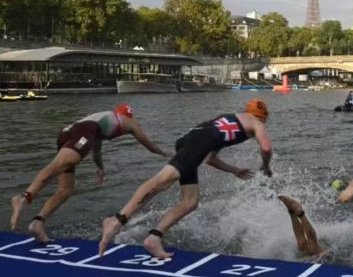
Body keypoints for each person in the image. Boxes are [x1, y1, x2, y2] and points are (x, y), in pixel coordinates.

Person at [98, 98, 273, 258]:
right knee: (162, 181)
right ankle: (117, 220)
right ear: (262, 117)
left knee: (190, 201)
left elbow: (209, 158)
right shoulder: (256, 122)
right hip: (200, 142)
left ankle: (154, 238)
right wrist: (266, 166)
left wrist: (234, 170)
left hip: (189, 139)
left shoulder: (230, 119)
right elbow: (265, 147)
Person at [10, 104, 173, 242]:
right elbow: (149, 146)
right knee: (61, 164)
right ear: (128, 115)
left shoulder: (102, 122)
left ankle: (37, 223)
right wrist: (166, 152)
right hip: (83, 131)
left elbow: (96, 149)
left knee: (65, 189)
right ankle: (24, 197)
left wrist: (100, 167)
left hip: (69, 133)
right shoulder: (130, 122)